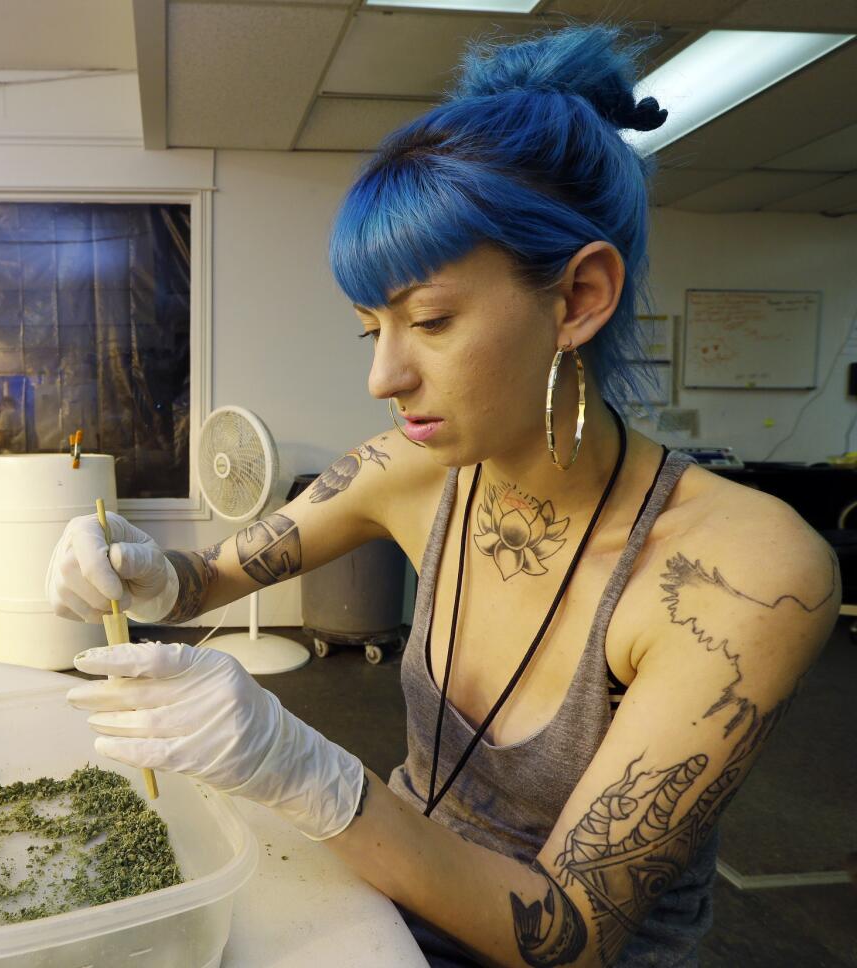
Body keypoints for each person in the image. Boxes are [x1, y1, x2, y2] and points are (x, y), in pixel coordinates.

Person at [45, 23, 840, 968]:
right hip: (379, 911)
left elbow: (570, 935)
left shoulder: (745, 573)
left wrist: (311, 777)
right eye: (368, 329)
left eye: (429, 320)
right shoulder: (416, 467)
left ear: (579, 297)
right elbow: (205, 578)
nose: (384, 376)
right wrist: (136, 571)